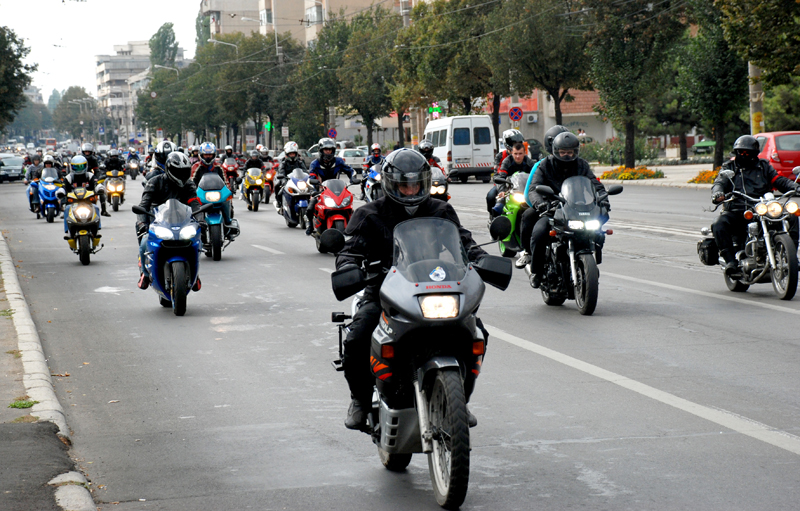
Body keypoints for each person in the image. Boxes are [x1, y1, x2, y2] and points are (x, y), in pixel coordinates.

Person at [335, 148, 488, 430]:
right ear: (391, 184)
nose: (410, 190)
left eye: (416, 183)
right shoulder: (369, 214)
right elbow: (350, 251)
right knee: (357, 339)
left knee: (476, 333)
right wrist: (348, 267)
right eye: (405, 184)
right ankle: (359, 399)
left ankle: (460, 400)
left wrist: (479, 258)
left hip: (433, 288)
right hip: (384, 294)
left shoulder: (440, 211)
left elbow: (463, 243)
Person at [711, 135, 800, 276]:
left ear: (755, 153)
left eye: (748, 152)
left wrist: (793, 186)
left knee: (792, 215)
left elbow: (778, 180)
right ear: (736, 152)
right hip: (738, 209)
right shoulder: (729, 167)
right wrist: (718, 194)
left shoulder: (764, 166)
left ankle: (791, 256)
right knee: (719, 224)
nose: (744, 155)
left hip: (762, 208)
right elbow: (720, 182)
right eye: (741, 152)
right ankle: (730, 261)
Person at [527, 132, 606, 287]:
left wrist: (603, 200)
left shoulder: (581, 165)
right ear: (556, 151)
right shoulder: (545, 165)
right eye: (563, 152)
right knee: (539, 232)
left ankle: (589, 264)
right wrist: (541, 204)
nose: (567, 156)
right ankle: (536, 271)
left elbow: (595, 185)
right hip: (552, 208)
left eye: (570, 152)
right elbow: (534, 189)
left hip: (577, 208)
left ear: (575, 151)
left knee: (598, 231)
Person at [136, 152, 204, 290]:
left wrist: (201, 220)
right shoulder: (154, 182)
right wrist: (142, 223)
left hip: (182, 222)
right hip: (157, 223)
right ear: (169, 169)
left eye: (184, 171)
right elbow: (144, 205)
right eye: (178, 171)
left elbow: (195, 203)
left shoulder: (188, 185)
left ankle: (194, 273)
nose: (182, 175)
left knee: (197, 240)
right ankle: (144, 273)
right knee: (144, 242)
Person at [516, 125, 570, 268]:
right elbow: (530, 191)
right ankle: (529, 254)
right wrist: (541, 205)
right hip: (548, 207)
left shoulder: (578, 164)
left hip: (571, 208)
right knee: (529, 217)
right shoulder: (543, 165)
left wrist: (600, 199)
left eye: (568, 149)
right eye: (560, 148)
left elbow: (590, 184)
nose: (565, 153)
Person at [306, 137, 355, 235]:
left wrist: (353, 178)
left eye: (330, 150)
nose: (328, 152)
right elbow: (311, 176)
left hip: (337, 190)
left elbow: (350, 171)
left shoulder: (338, 162)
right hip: (320, 190)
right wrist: (313, 182)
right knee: (310, 208)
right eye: (326, 150)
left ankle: (353, 227)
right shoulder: (315, 163)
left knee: (350, 208)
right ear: (321, 151)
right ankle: (310, 225)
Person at [487, 142, 535, 218]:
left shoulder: (530, 163)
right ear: (512, 153)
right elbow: (501, 176)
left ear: (524, 153)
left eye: (520, 153)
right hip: (508, 187)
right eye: (515, 153)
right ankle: (494, 217)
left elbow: (535, 177)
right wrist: (501, 191)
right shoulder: (506, 162)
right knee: (491, 196)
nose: (518, 156)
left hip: (524, 189)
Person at [60, 155, 102, 226]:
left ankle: (97, 227)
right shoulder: (69, 177)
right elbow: (64, 186)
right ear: (72, 167)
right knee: (67, 209)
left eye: (81, 167)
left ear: (86, 166)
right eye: (76, 167)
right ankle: (67, 230)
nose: (79, 169)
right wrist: (61, 191)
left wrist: (99, 188)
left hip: (88, 201)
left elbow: (96, 183)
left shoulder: (90, 175)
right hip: (73, 202)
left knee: (96, 207)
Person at [274, 141, 307, 211]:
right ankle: (279, 202)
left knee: (310, 190)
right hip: (287, 181)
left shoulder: (300, 162)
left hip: (298, 181)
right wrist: (283, 180)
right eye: (290, 154)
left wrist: (307, 178)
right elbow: (281, 172)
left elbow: (305, 172)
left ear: (296, 154)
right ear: (287, 154)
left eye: (293, 154)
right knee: (277, 185)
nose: (292, 155)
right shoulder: (284, 163)